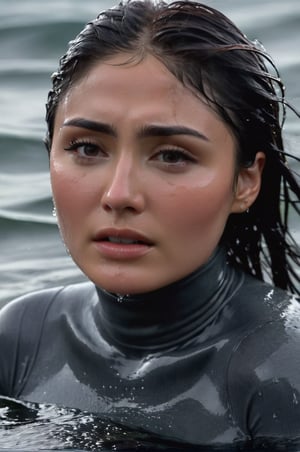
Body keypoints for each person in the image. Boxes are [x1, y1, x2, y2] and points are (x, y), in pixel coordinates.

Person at [0, 0, 300, 448]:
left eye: (173, 155)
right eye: (87, 148)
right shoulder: (23, 338)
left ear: (245, 181)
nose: (118, 194)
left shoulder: (281, 371)